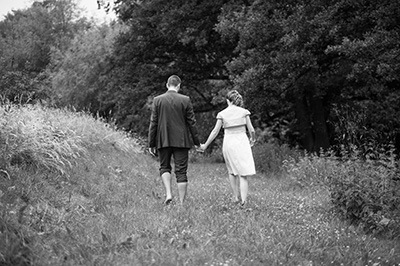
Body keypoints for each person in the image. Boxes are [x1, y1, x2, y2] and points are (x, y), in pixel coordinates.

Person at [148, 75, 200, 205]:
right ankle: (182, 203)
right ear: (179, 86)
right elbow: (192, 123)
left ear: (167, 85)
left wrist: (151, 143)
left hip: (163, 139)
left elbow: (153, 123)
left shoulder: (157, 100)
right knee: (181, 171)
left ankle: (169, 194)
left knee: (164, 166)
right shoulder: (185, 100)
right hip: (181, 141)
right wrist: (197, 142)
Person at [200, 90, 256, 206]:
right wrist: (252, 139)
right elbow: (251, 130)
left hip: (229, 141)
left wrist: (205, 145)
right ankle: (244, 201)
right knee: (243, 173)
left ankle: (235, 197)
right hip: (242, 141)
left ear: (228, 100)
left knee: (231, 171)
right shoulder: (244, 112)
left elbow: (215, 131)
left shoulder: (222, 114)